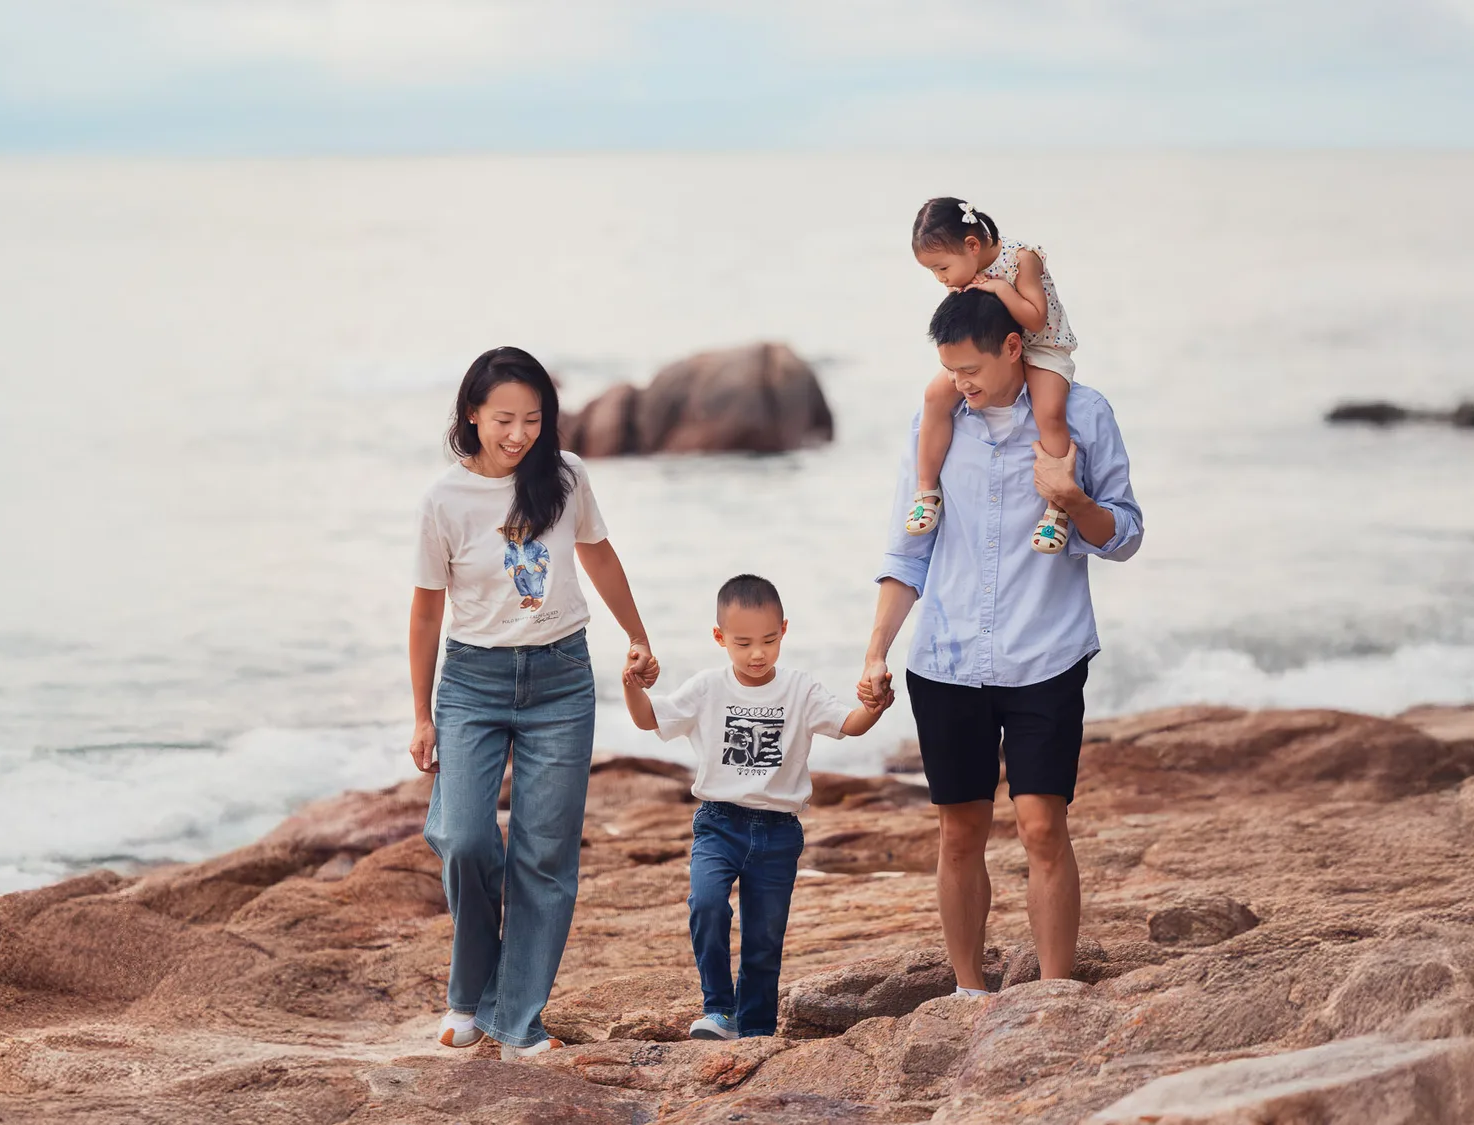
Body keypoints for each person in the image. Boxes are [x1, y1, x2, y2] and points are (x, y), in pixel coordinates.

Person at [861, 289, 1142, 999]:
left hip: (1045, 653)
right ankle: (968, 994)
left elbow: (1128, 534)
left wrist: (1073, 499)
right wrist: (876, 650)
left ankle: (1053, 995)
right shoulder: (938, 423)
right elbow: (907, 550)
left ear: (1014, 348)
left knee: (1043, 824)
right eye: (950, 371)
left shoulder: (1083, 415)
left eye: (971, 370)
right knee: (960, 832)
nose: (962, 385)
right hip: (947, 660)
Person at [408, 346, 659, 1060]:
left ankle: (515, 1017)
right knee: (463, 837)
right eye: (504, 420)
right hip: (472, 682)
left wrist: (637, 635)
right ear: (472, 415)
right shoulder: (443, 500)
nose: (518, 433)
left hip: (560, 679)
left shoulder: (566, 476)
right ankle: (471, 988)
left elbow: (598, 555)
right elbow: (425, 613)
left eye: (532, 418)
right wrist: (422, 712)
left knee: (545, 855)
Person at [623, 574, 893, 1040]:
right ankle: (718, 1010)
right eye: (743, 642)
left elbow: (849, 724)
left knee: (764, 940)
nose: (757, 653)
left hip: (778, 831)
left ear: (784, 630)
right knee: (706, 904)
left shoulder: (800, 689)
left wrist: (877, 705)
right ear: (719, 638)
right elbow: (650, 718)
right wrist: (631, 682)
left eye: (769, 640)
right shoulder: (708, 687)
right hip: (718, 824)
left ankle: (757, 1030)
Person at [906, 197, 1079, 553]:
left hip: (1041, 346)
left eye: (941, 268)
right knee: (935, 396)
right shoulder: (966, 272)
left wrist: (1001, 288)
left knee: (1049, 412)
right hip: (991, 354)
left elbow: (1035, 318)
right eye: (933, 273)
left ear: (971, 246)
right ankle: (926, 489)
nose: (940, 279)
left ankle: (1057, 510)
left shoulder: (1021, 259)